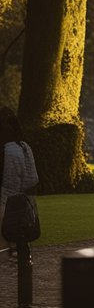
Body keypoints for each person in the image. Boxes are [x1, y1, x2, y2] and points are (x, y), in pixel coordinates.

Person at [1, 109, 38, 262]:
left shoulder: (9, 148)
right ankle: (20, 249)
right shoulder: (24, 145)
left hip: (13, 187)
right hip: (28, 186)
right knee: (23, 218)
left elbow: (11, 176)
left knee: (7, 215)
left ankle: (12, 249)